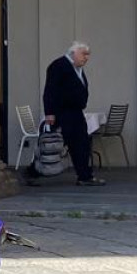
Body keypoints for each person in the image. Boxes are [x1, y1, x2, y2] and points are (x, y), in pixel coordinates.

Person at [44, 42, 104, 187]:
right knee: (54, 144)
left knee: (81, 144)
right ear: (73, 53)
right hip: (63, 112)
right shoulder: (59, 65)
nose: (87, 58)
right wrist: (50, 113)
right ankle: (33, 171)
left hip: (76, 112)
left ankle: (84, 176)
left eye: (87, 55)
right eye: (84, 54)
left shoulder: (77, 68)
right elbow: (50, 90)